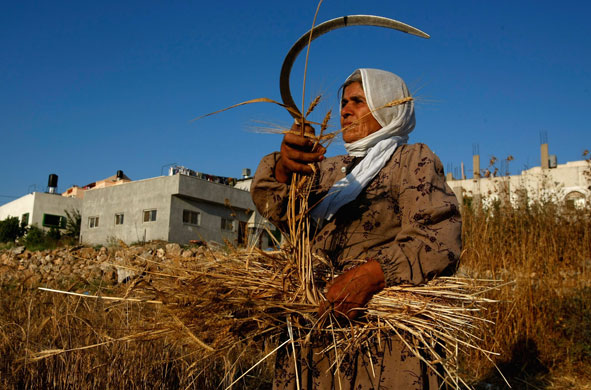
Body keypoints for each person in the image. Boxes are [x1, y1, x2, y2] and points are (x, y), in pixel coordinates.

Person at [251, 68, 461, 389]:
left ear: (388, 106)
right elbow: (280, 211)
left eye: (358, 101)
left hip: (382, 339)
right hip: (317, 330)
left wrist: (370, 276)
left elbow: (437, 237)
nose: (345, 110)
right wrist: (284, 168)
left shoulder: (411, 160)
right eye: (343, 102)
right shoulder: (326, 170)